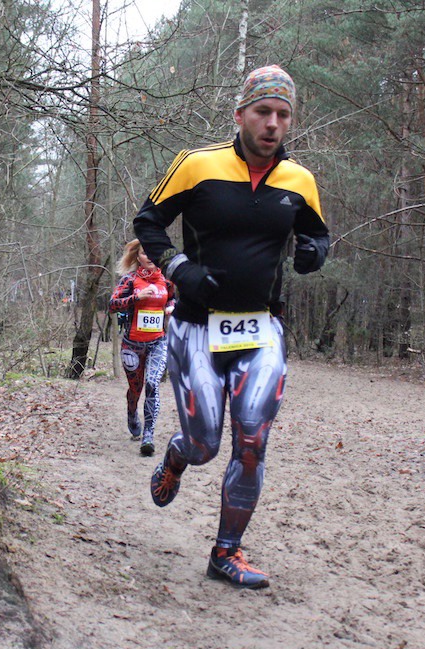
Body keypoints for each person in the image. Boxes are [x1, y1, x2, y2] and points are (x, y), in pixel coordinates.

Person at [133, 64, 330, 589]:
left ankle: (226, 552)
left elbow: (318, 236)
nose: (273, 123)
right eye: (263, 111)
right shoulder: (196, 165)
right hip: (197, 327)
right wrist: (179, 268)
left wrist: (314, 253)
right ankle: (177, 455)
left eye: (283, 114)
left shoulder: (299, 181)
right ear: (240, 115)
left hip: (262, 330)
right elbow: (148, 222)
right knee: (205, 444)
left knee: (252, 441)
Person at [108, 240, 175, 456]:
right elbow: (112, 304)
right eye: (145, 253)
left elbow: (173, 300)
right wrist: (136, 297)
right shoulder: (130, 279)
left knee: (153, 384)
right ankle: (131, 412)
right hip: (132, 345)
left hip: (158, 342)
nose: (150, 257)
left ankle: (148, 436)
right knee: (136, 390)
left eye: (153, 253)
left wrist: (171, 307)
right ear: (138, 257)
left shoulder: (167, 280)